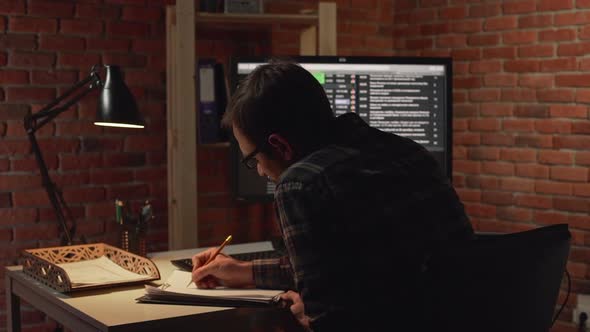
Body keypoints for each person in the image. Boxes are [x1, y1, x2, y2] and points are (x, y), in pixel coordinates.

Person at [191, 59, 474, 331]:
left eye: (253, 160)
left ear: (279, 145)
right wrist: (242, 271)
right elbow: (341, 263)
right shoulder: (409, 150)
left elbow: (330, 323)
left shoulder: (299, 184)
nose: (260, 172)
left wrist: (306, 312)